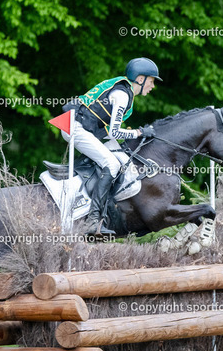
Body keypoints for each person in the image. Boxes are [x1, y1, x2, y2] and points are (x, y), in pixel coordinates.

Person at [61, 57, 161, 235]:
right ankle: (92, 220)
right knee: (112, 164)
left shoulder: (123, 89)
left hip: (85, 127)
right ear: (140, 79)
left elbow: (108, 131)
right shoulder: (122, 95)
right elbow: (115, 132)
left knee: (120, 154)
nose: (152, 86)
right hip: (75, 128)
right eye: (151, 81)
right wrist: (139, 132)